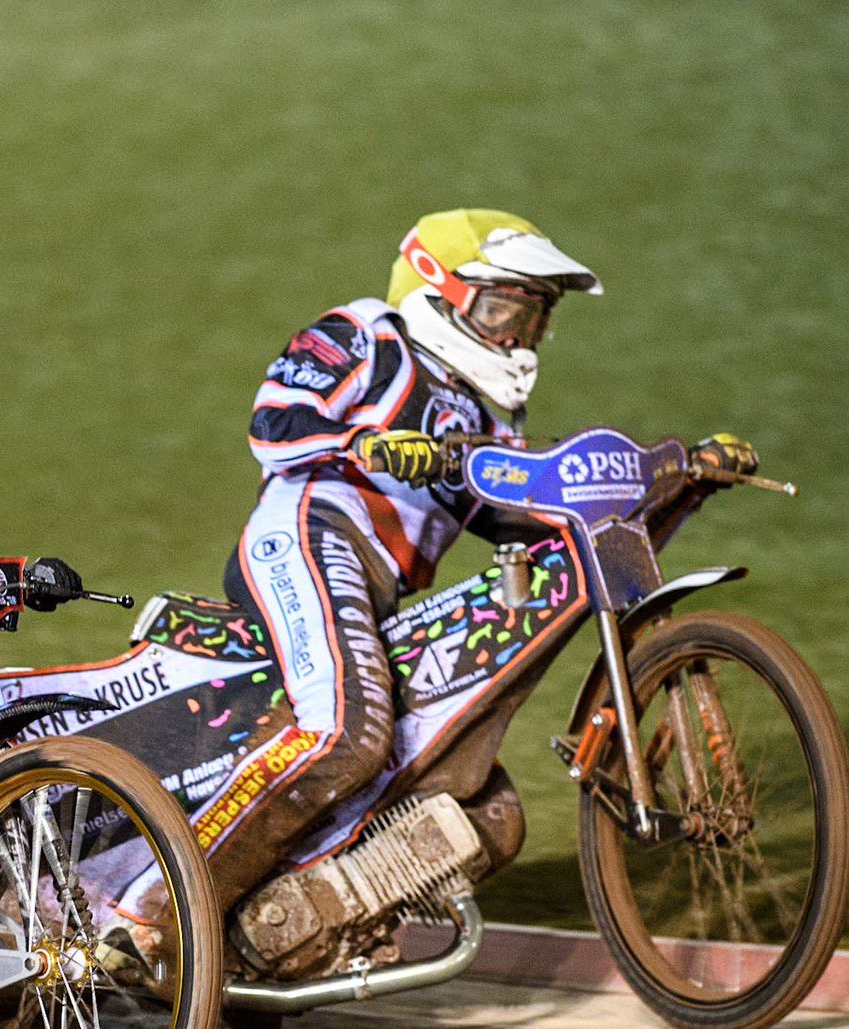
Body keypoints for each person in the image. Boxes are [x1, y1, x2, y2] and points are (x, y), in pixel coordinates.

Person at [214, 208, 759, 914]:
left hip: (379, 592)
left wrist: (679, 484)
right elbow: (273, 421)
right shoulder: (369, 333)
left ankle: (302, 920)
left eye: (532, 319)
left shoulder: (490, 418)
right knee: (351, 734)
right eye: (502, 309)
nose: (513, 337)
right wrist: (364, 444)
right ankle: (174, 905)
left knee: (488, 815)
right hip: (308, 536)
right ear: (437, 288)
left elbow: (529, 520)